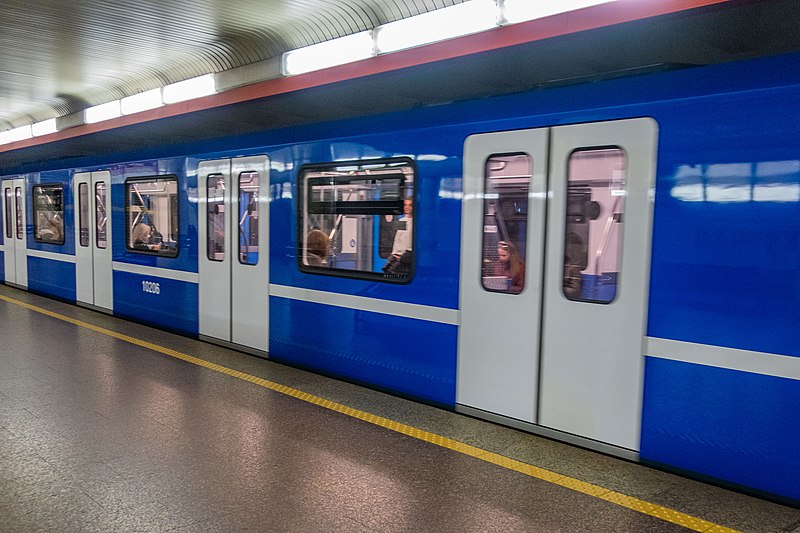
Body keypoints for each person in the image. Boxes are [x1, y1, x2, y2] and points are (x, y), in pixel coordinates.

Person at [383, 197, 413, 275]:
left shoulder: (417, 222)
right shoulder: (401, 221)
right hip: (396, 258)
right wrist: (393, 254)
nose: (407, 207)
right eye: (405, 205)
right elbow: (397, 239)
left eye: (410, 205)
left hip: (406, 258)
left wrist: (404, 257)